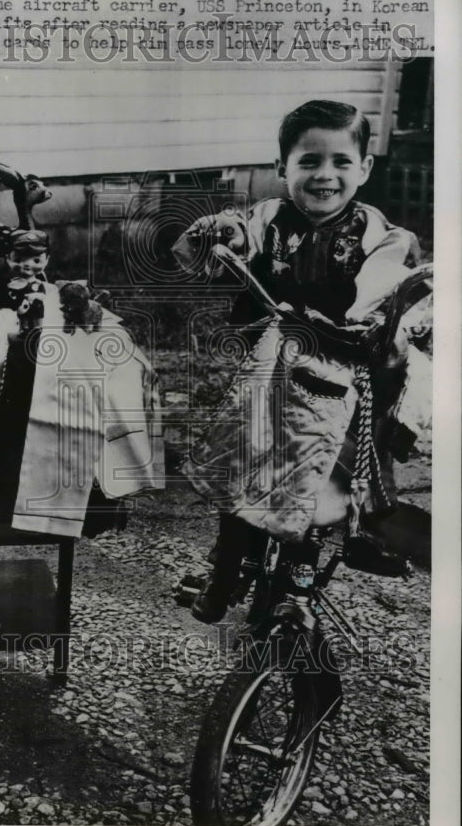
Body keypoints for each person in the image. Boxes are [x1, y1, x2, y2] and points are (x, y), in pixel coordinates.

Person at [172, 99, 423, 623]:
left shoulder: (379, 234)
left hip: (341, 371)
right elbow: (237, 238)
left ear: (365, 168)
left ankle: (299, 580)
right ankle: (224, 570)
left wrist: (368, 312)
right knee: (246, 461)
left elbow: (382, 283)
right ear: (282, 167)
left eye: (340, 162)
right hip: (273, 364)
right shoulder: (268, 217)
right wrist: (223, 232)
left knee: (318, 476)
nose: (324, 175)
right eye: (308, 161)